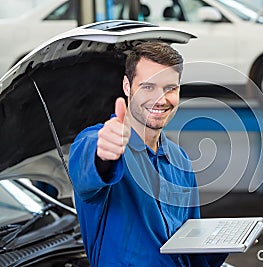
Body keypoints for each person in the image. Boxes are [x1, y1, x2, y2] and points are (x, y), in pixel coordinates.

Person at [68, 41, 228, 266]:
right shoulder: (96, 140)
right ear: (127, 86)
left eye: (170, 88)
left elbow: (191, 245)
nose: (160, 100)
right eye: (148, 87)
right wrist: (104, 155)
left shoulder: (180, 160)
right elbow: (89, 166)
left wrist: (221, 241)